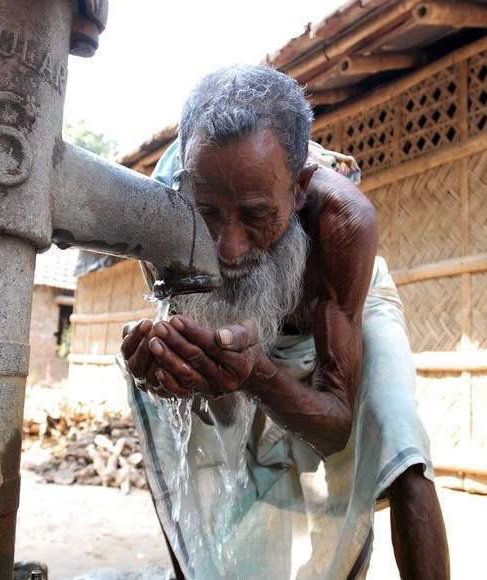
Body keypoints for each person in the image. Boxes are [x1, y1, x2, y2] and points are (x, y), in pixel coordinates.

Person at [120, 64, 449, 580]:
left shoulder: (343, 224)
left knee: (400, 447)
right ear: (185, 187)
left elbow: (336, 426)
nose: (229, 248)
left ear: (298, 191)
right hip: (240, 344)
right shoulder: (162, 214)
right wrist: (171, 371)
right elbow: (217, 404)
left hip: (338, 310)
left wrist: (256, 375)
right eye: (208, 214)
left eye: (256, 215)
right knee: (189, 450)